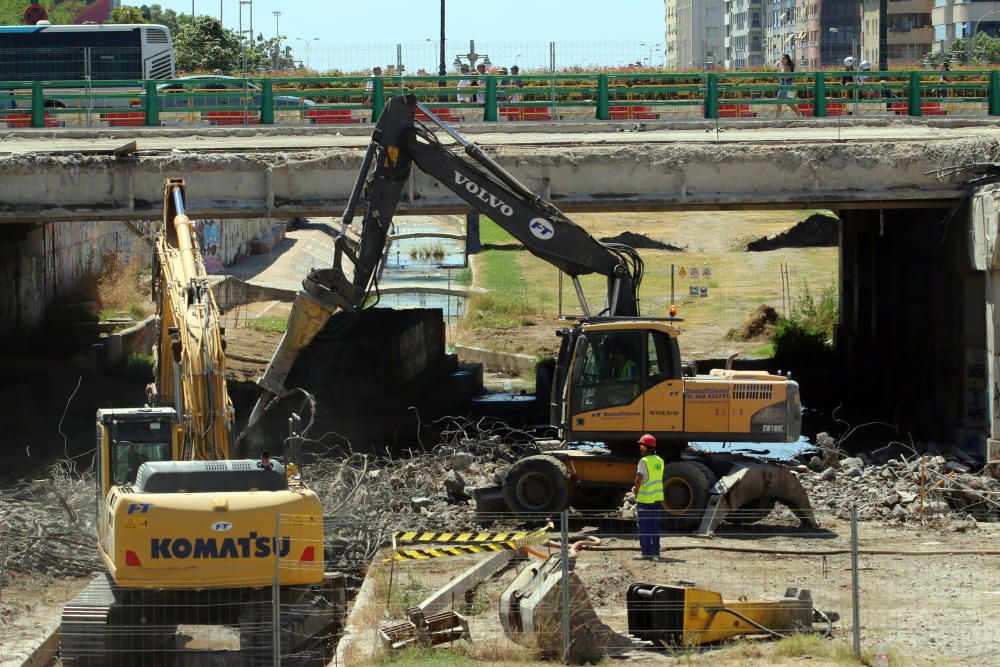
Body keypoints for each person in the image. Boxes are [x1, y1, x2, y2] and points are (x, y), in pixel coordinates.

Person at [631, 434, 664, 560]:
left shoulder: (644, 461)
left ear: (646, 447)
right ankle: (656, 551)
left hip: (645, 499)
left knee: (644, 527)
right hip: (656, 498)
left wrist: (635, 490)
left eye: (642, 445)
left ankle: (646, 553)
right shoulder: (660, 460)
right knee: (655, 526)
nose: (640, 447)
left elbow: (638, 479)